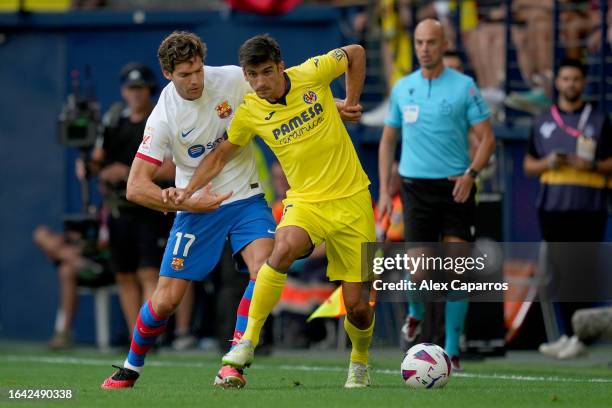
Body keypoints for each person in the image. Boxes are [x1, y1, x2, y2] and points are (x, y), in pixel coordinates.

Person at [167, 34, 376, 388]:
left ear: (280, 66)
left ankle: (359, 361)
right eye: (253, 75)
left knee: (356, 305)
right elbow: (219, 155)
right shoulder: (250, 111)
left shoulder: (312, 73)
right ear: (246, 76)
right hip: (306, 203)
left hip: (353, 199)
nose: (261, 82)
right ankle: (247, 342)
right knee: (280, 250)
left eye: (267, 72)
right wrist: (188, 190)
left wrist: (351, 102)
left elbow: (355, 53)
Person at [100, 31, 275, 390]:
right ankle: (131, 367)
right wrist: (184, 199)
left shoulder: (230, 78)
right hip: (196, 208)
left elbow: (281, 90)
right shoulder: (163, 116)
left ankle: (234, 363)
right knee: (165, 301)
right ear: (168, 74)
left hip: (246, 197)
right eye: (184, 75)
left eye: (197, 70)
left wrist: (331, 105)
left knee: (266, 269)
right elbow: (136, 186)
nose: (194, 80)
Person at [377, 19, 496, 371]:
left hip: (454, 186)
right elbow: (387, 140)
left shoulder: (464, 87)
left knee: (457, 270)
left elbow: (487, 138)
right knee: (419, 271)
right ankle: (414, 314)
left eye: (431, 42)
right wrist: (385, 190)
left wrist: (471, 174)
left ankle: (452, 350)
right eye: (418, 42)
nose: (424, 48)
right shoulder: (403, 88)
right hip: (415, 188)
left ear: (444, 44)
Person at [523, 58, 611, 349]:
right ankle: (569, 335)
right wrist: (549, 161)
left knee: (582, 271)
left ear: (583, 84)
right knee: (559, 271)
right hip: (553, 207)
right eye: (565, 79)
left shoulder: (599, 120)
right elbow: (528, 165)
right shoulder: (542, 120)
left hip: (589, 206)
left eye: (575, 79)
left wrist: (593, 166)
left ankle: (582, 337)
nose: (570, 84)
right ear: (557, 83)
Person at [85, 63, 175, 336]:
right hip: (118, 209)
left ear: (150, 90)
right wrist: (95, 168)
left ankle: (150, 334)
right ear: (123, 91)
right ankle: (134, 332)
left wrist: (129, 173)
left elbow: (172, 167)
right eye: (130, 88)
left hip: (150, 205)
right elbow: (97, 162)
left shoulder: (160, 120)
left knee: (149, 271)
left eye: (141, 88)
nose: (136, 94)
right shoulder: (113, 122)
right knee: (124, 273)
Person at [33, 217, 113, 350]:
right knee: (41, 235)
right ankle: (64, 334)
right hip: (78, 262)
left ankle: (63, 332)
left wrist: (86, 247)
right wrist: (72, 240)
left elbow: (106, 244)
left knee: (65, 269)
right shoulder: (88, 216)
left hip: (104, 266)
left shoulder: (111, 214)